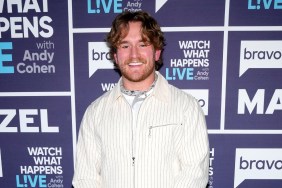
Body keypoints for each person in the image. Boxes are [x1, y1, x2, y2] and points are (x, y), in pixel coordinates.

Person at [72, 11, 209, 188]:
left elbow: (195, 174)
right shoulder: (95, 112)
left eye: (143, 44)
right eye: (125, 46)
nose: (134, 55)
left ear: (157, 52)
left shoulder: (186, 107)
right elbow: (85, 177)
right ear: (115, 55)